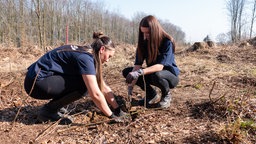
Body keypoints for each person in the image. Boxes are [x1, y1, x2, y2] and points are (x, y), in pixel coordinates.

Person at [24, 32, 125, 124]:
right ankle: (48, 112)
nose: (107, 61)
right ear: (102, 49)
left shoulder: (86, 52)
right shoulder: (86, 59)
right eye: (109, 56)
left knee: (86, 81)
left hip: (36, 78)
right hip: (35, 83)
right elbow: (95, 93)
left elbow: (103, 86)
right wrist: (111, 116)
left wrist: (117, 110)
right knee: (85, 85)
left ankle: (56, 107)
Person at [123, 15, 180, 108]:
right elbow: (137, 66)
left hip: (169, 77)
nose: (145, 36)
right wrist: (130, 88)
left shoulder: (167, 42)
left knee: (157, 74)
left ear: (155, 30)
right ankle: (151, 94)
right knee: (127, 71)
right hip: (153, 74)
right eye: (143, 33)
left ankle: (166, 95)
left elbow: (160, 67)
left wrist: (139, 73)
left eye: (148, 33)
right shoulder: (143, 44)